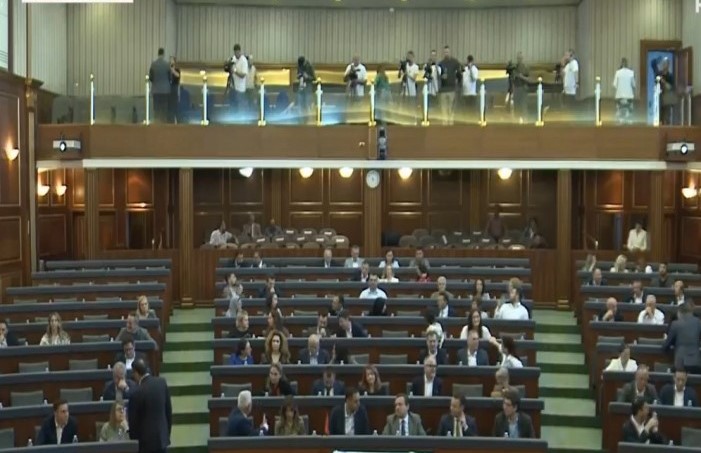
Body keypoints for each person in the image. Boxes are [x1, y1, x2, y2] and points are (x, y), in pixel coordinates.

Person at [128, 359, 173, 453]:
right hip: (162, 439)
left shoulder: (136, 393)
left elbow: (133, 422)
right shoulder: (161, 383)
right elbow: (168, 411)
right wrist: (166, 434)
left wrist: (134, 441)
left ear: (136, 373)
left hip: (145, 444)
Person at [663, 302, 701, 374]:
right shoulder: (698, 322)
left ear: (679, 313)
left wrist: (665, 349)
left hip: (680, 362)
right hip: (696, 361)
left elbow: (667, 345)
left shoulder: (675, 324)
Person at [149, 48, 171, 123]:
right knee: (164, 109)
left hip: (156, 90)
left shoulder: (153, 64)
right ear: (163, 54)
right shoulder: (167, 65)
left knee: (156, 108)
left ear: (158, 54)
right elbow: (170, 78)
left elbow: (151, 78)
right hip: (165, 90)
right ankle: (163, 123)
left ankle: (157, 122)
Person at [613, 58, 636, 124]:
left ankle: (620, 120)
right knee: (629, 109)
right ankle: (629, 120)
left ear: (621, 64)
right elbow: (633, 84)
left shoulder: (618, 72)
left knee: (619, 109)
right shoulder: (631, 72)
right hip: (629, 95)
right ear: (627, 64)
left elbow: (614, 84)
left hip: (619, 95)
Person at [167, 56, 181, 124]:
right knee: (169, 105)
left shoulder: (177, 69)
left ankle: (177, 119)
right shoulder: (168, 70)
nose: (170, 62)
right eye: (170, 61)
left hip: (174, 88)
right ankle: (170, 120)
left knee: (175, 105)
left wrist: (172, 70)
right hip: (168, 88)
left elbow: (178, 75)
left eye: (172, 61)